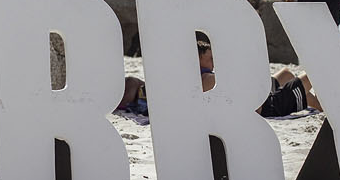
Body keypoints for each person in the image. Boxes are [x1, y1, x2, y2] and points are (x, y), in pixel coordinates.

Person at [115, 33, 320, 117]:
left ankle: (318, 105)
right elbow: (245, 104)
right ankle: (324, 107)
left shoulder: (192, 79)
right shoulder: (206, 80)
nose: (214, 61)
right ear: (198, 60)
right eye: (210, 58)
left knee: (285, 75)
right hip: (267, 104)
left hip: (258, 96)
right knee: (311, 76)